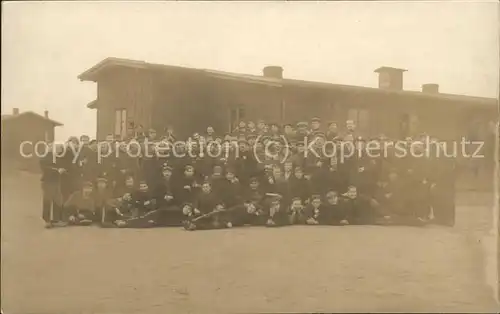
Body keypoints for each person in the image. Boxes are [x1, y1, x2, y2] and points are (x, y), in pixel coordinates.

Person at [40, 144, 66, 228]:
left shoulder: (59, 157)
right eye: (57, 148)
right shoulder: (46, 156)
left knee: (57, 200)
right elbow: (44, 167)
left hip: (57, 181)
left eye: (60, 149)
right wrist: (57, 171)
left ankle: (55, 219)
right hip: (48, 181)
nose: (59, 150)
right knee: (47, 200)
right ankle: (47, 220)